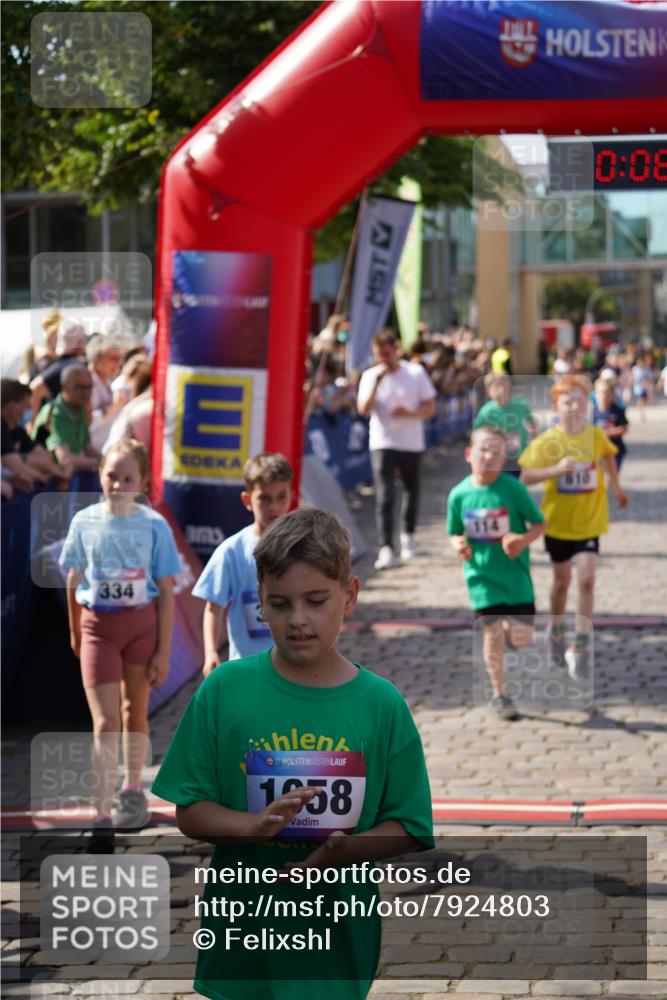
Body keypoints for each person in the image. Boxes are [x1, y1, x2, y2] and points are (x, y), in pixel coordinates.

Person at [152, 507, 434, 1000]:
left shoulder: (380, 704)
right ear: (258, 600)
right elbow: (191, 809)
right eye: (280, 603)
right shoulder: (224, 691)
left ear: (349, 596)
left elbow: (409, 825)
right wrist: (253, 825)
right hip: (244, 939)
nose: (298, 619)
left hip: (336, 938)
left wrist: (343, 851)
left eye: (316, 600)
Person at [60, 439, 182, 853]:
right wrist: (76, 631)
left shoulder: (155, 526)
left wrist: (164, 650)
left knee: (135, 711)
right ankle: (101, 813)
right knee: (105, 721)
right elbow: (73, 578)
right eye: (112, 475)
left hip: (142, 627)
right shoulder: (84, 522)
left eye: (127, 477)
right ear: (100, 475)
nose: (118, 484)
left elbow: (166, 591)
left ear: (143, 482)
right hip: (98, 627)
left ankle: (132, 787)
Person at [519, 374, 629, 682]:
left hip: (589, 521)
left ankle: (580, 645)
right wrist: (556, 470)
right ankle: (556, 627)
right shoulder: (549, 441)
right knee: (561, 582)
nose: (575, 407)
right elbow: (525, 476)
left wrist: (617, 489)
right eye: (568, 402)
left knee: (588, 578)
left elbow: (607, 457)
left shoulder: (594, 435)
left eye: (581, 401)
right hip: (558, 523)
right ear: (556, 406)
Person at [448, 426, 545, 721]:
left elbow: (539, 524)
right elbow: (453, 533)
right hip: (481, 579)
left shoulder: (513, 490)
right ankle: (500, 694)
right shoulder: (459, 494)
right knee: (491, 634)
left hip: (515, 578)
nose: (489, 456)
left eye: (496, 451)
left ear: (504, 459)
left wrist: (521, 540)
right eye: (483, 450)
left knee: (523, 638)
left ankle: (507, 632)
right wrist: (459, 546)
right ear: (469, 454)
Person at [192, 453, 293, 675]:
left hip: (293, 664)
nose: (273, 507)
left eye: (281, 497)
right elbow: (213, 607)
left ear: (291, 496)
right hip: (247, 668)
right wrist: (210, 652)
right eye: (264, 498)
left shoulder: (300, 547)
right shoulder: (231, 551)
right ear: (248, 500)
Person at [357, 330, 437, 569]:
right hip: (383, 443)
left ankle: (408, 540)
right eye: (378, 355)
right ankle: (386, 547)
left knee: (412, 491)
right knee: (385, 496)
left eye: (387, 354)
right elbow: (363, 409)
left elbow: (430, 407)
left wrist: (410, 413)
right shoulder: (371, 375)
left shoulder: (415, 372)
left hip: (411, 443)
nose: (383, 359)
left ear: (396, 350)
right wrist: (376, 384)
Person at [30, 364, 100, 474]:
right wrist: (100, 462)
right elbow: (65, 459)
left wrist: (106, 459)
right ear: (64, 387)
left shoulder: (79, 408)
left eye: (89, 387)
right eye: (80, 387)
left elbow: (88, 448)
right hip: (44, 480)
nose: (86, 392)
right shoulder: (55, 412)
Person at [0, 379, 71, 486]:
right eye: (27, 406)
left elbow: (45, 458)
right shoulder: (2, 428)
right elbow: (15, 467)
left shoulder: (18, 430)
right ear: (12, 407)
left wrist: (24, 461)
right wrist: (40, 475)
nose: (30, 410)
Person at [473, 372, 538, 477]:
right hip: (497, 456)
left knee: (518, 482)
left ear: (510, 388)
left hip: (519, 455)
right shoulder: (486, 412)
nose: (501, 390)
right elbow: (476, 433)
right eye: (496, 387)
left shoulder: (520, 405)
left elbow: (531, 423)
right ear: (489, 391)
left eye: (504, 386)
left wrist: (534, 443)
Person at [590, 377, 629, 471]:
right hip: (598, 451)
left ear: (612, 394)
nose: (603, 395)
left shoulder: (617, 410)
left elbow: (624, 428)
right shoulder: (591, 412)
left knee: (612, 478)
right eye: (600, 392)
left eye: (606, 392)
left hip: (615, 451)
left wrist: (605, 433)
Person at [632, 351, 654, 421]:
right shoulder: (634, 369)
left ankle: (642, 411)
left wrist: (647, 383)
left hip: (645, 388)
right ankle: (641, 413)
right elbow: (632, 378)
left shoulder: (647, 369)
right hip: (638, 388)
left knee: (643, 401)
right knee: (640, 399)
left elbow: (650, 378)